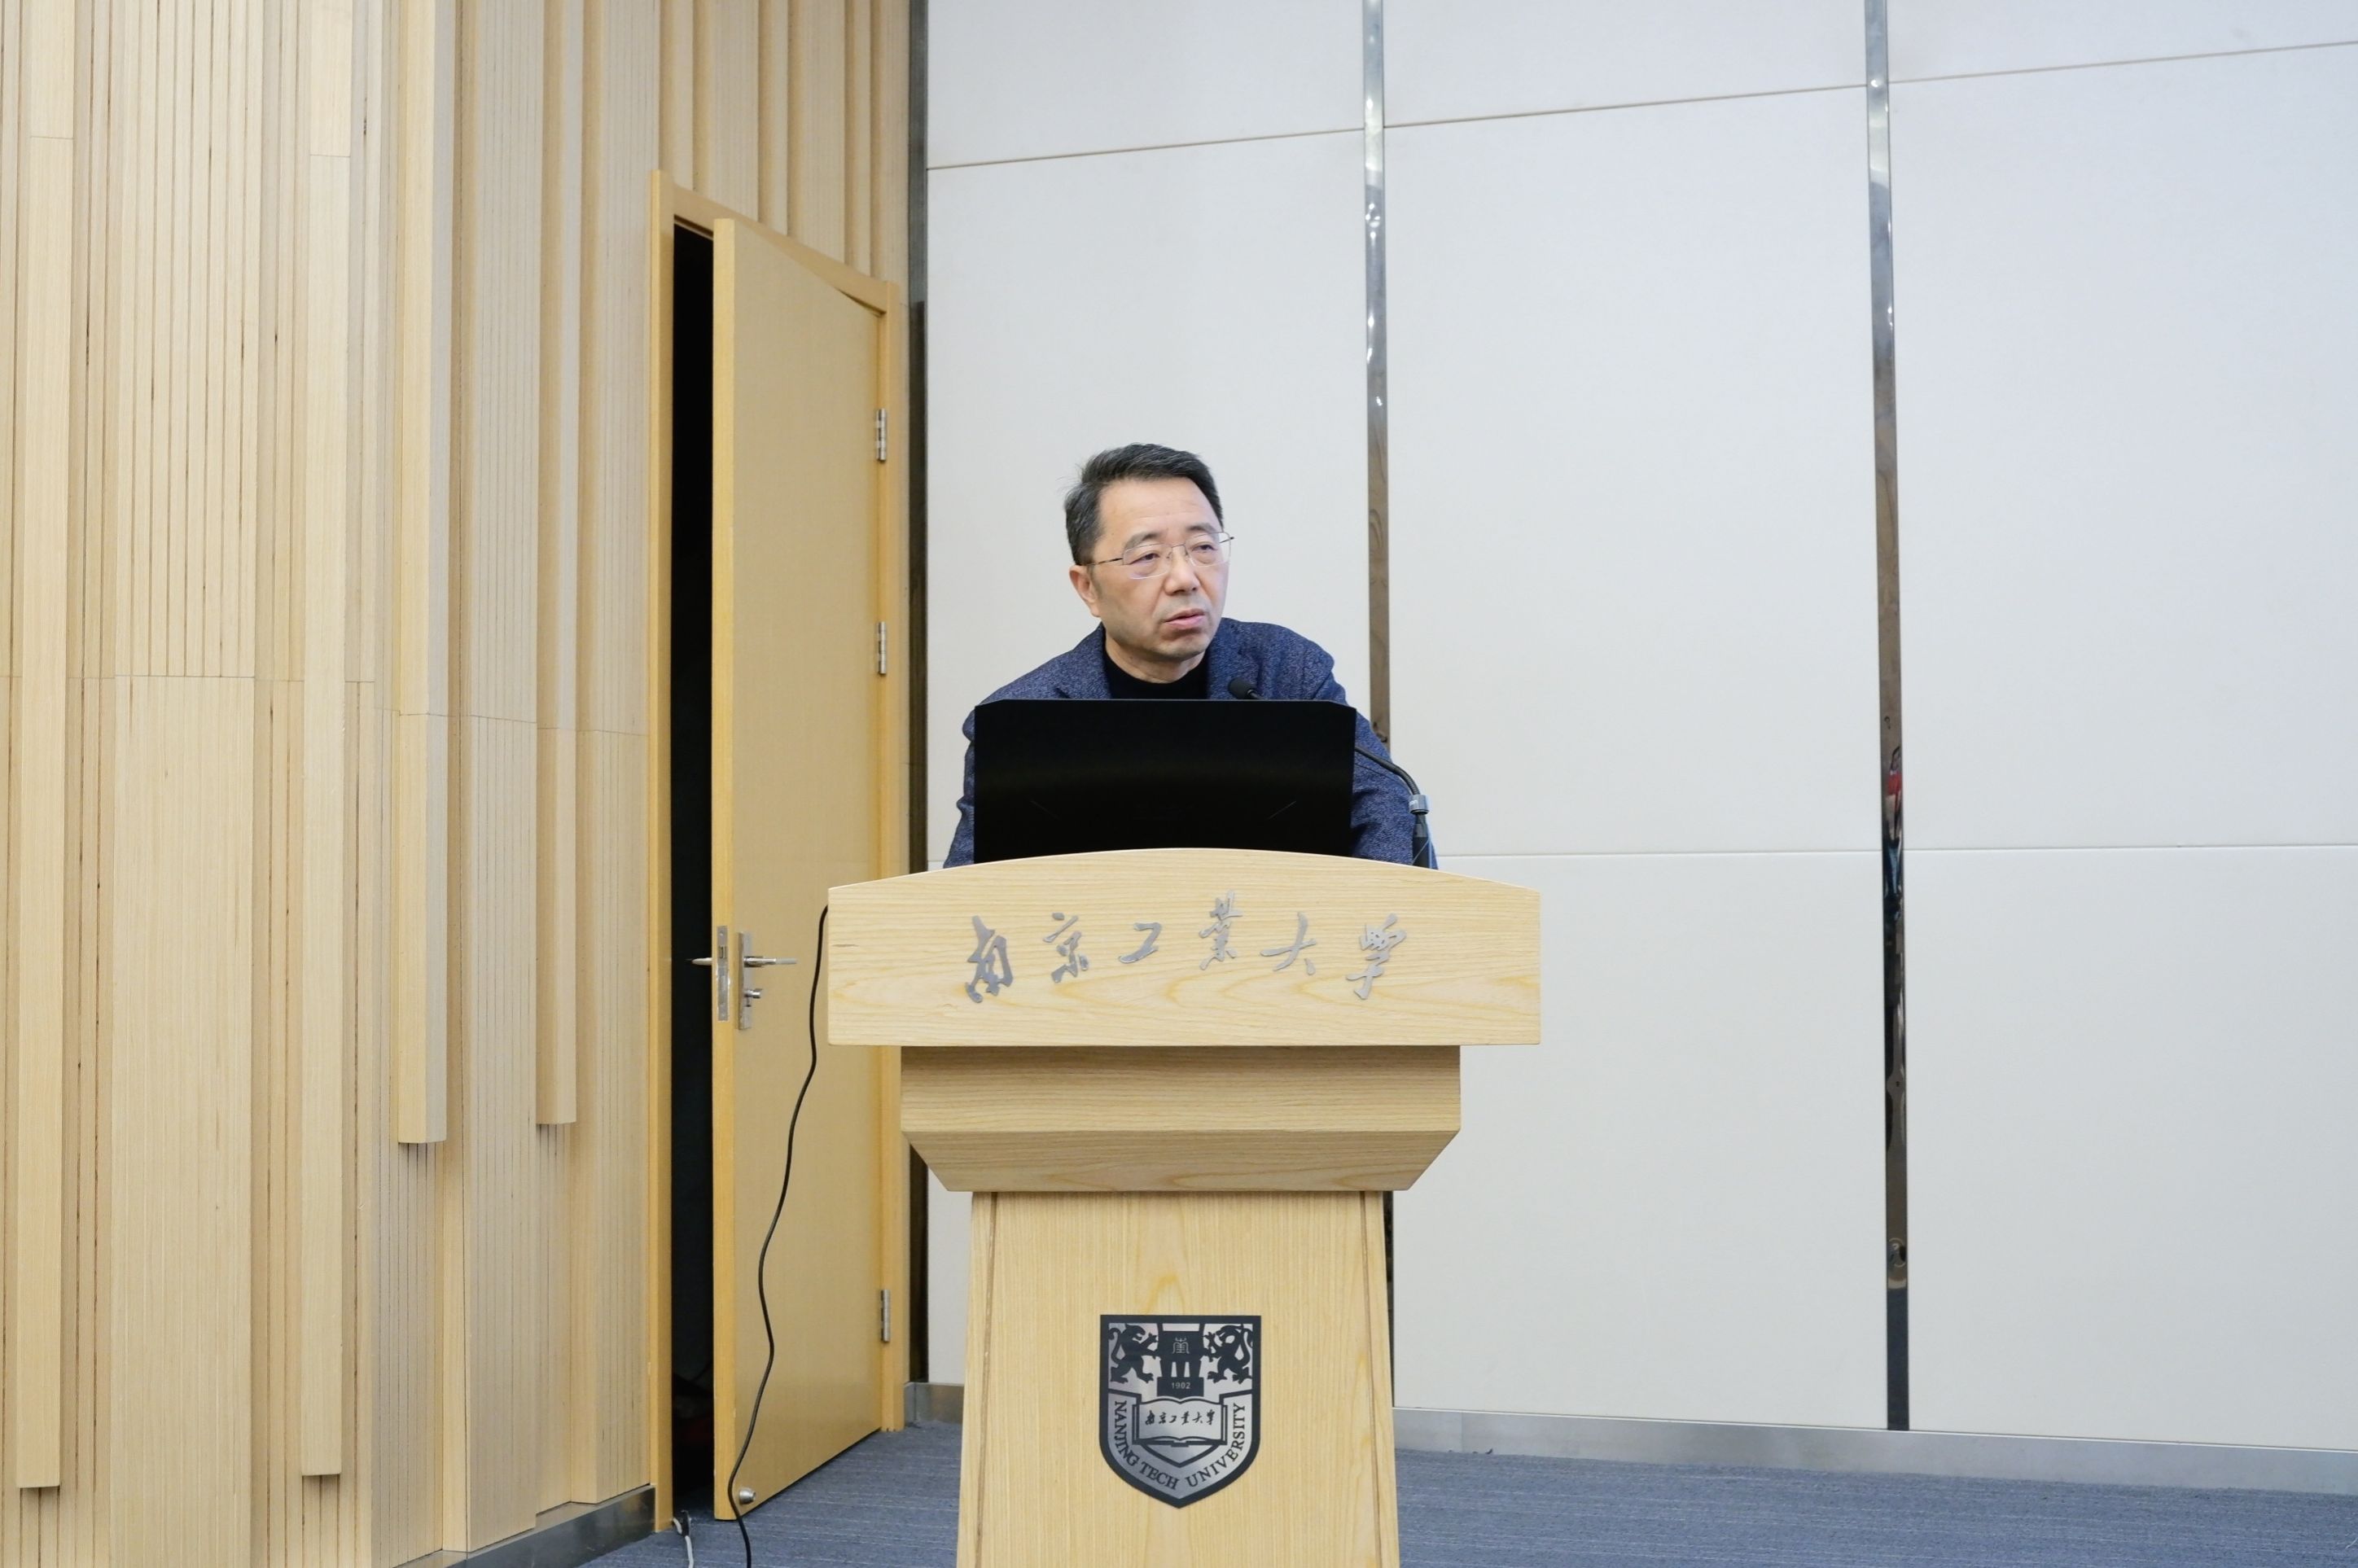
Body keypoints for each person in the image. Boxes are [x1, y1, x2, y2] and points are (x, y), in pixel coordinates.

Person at [944, 442, 1420, 866]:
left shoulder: (1287, 671)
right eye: (1147, 557)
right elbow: (970, 889)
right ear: (1087, 587)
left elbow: (1383, 806)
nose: (1185, 578)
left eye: (1203, 547)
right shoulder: (1022, 719)